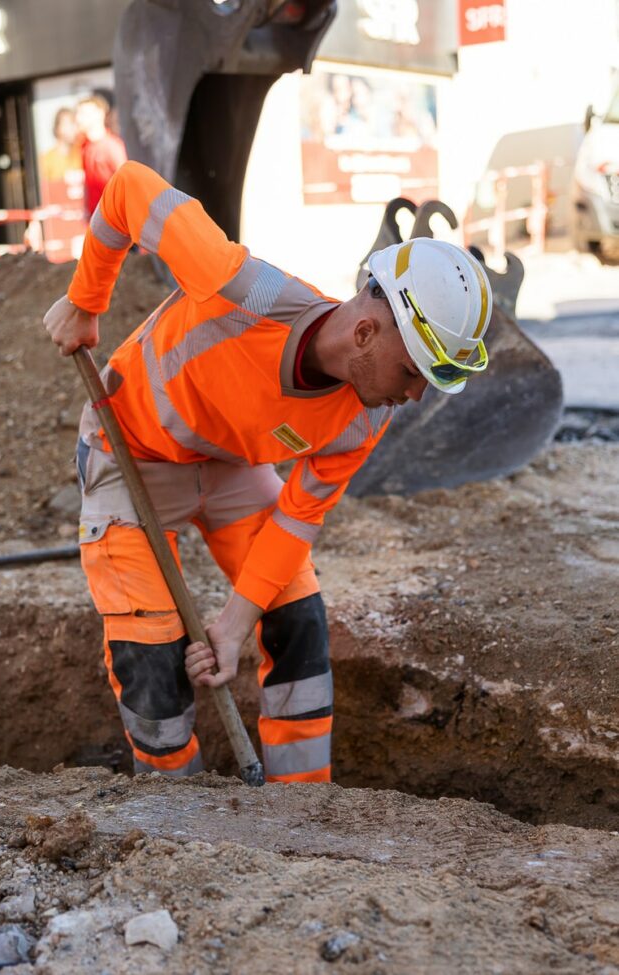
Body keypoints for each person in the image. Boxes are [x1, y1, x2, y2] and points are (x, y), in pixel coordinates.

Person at [44, 161, 492, 783]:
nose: (413, 397)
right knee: (152, 654)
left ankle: (302, 809)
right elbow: (125, 191)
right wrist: (85, 301)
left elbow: (299, 516)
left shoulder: (364, 418)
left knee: (296, 617)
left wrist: (232, 625)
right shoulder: (238, 285)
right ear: (365, 331)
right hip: (130, 451)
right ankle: (175, 811)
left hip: (228, 462)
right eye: (413, 374)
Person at [74, 94, 127, 219]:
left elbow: (126, 181)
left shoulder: (112, 146)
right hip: (98, 217)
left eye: (83, 113)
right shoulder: (85, 147)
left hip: (115, 219)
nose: (78, 118)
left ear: (100, 114)